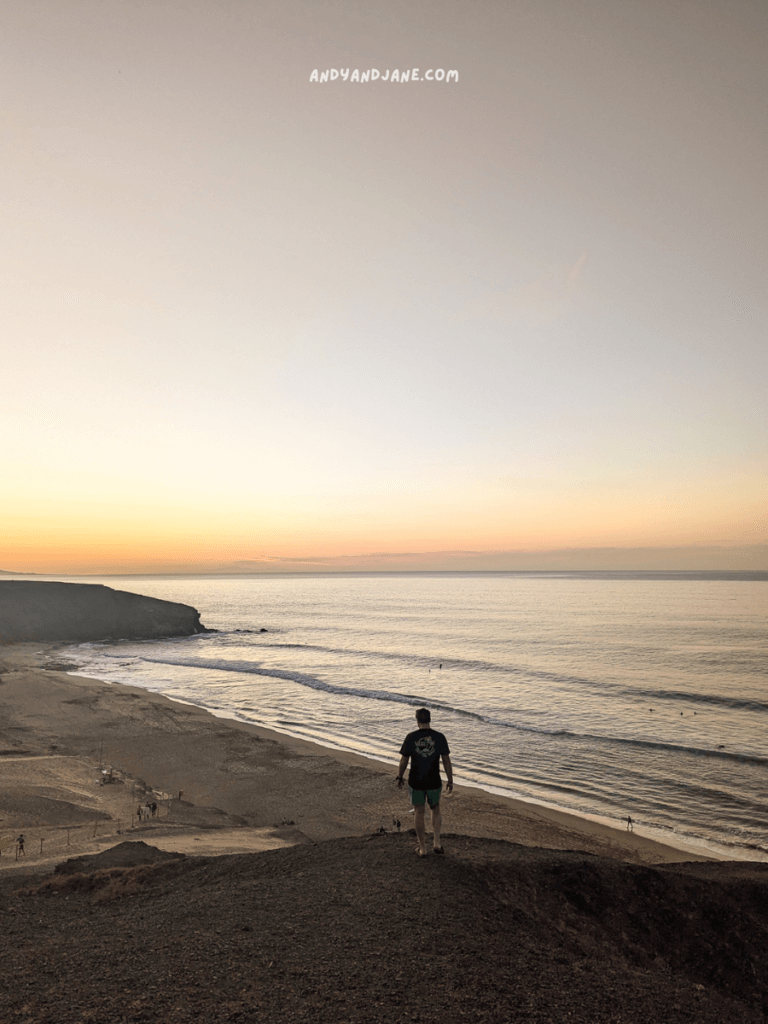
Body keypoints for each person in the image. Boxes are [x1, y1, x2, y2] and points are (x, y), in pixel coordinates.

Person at [396, 708, 453, 857]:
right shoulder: (439, 737)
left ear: (417, 720)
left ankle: (422, 849)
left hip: (416, 782)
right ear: (430, 719)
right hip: (434, 780)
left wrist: (399, 776)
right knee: (435, 808)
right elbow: (446, 761)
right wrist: (450, 780)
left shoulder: (411, 737)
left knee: (419, 811)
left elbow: (404, 760)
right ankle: (437, 843)